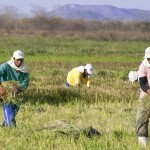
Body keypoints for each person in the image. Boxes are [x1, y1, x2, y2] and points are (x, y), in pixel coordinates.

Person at [0, 50, 29, 127]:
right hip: (4, 92)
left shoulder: (24, 70)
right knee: (7, 106)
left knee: (14, 110)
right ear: (13, 59)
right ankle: (12, 126)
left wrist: (16, 88)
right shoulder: (5, 66)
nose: (19, 62)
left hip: (17, 93)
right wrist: (1, 87)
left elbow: (25, 83)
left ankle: (5, 124)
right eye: (18, 60)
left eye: (21, 60)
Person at [136, 47, 150, 148]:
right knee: (142, 117)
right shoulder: (143, 66)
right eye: (148, 58)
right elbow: (142, 83)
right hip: (146, 92)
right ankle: (143, 144)